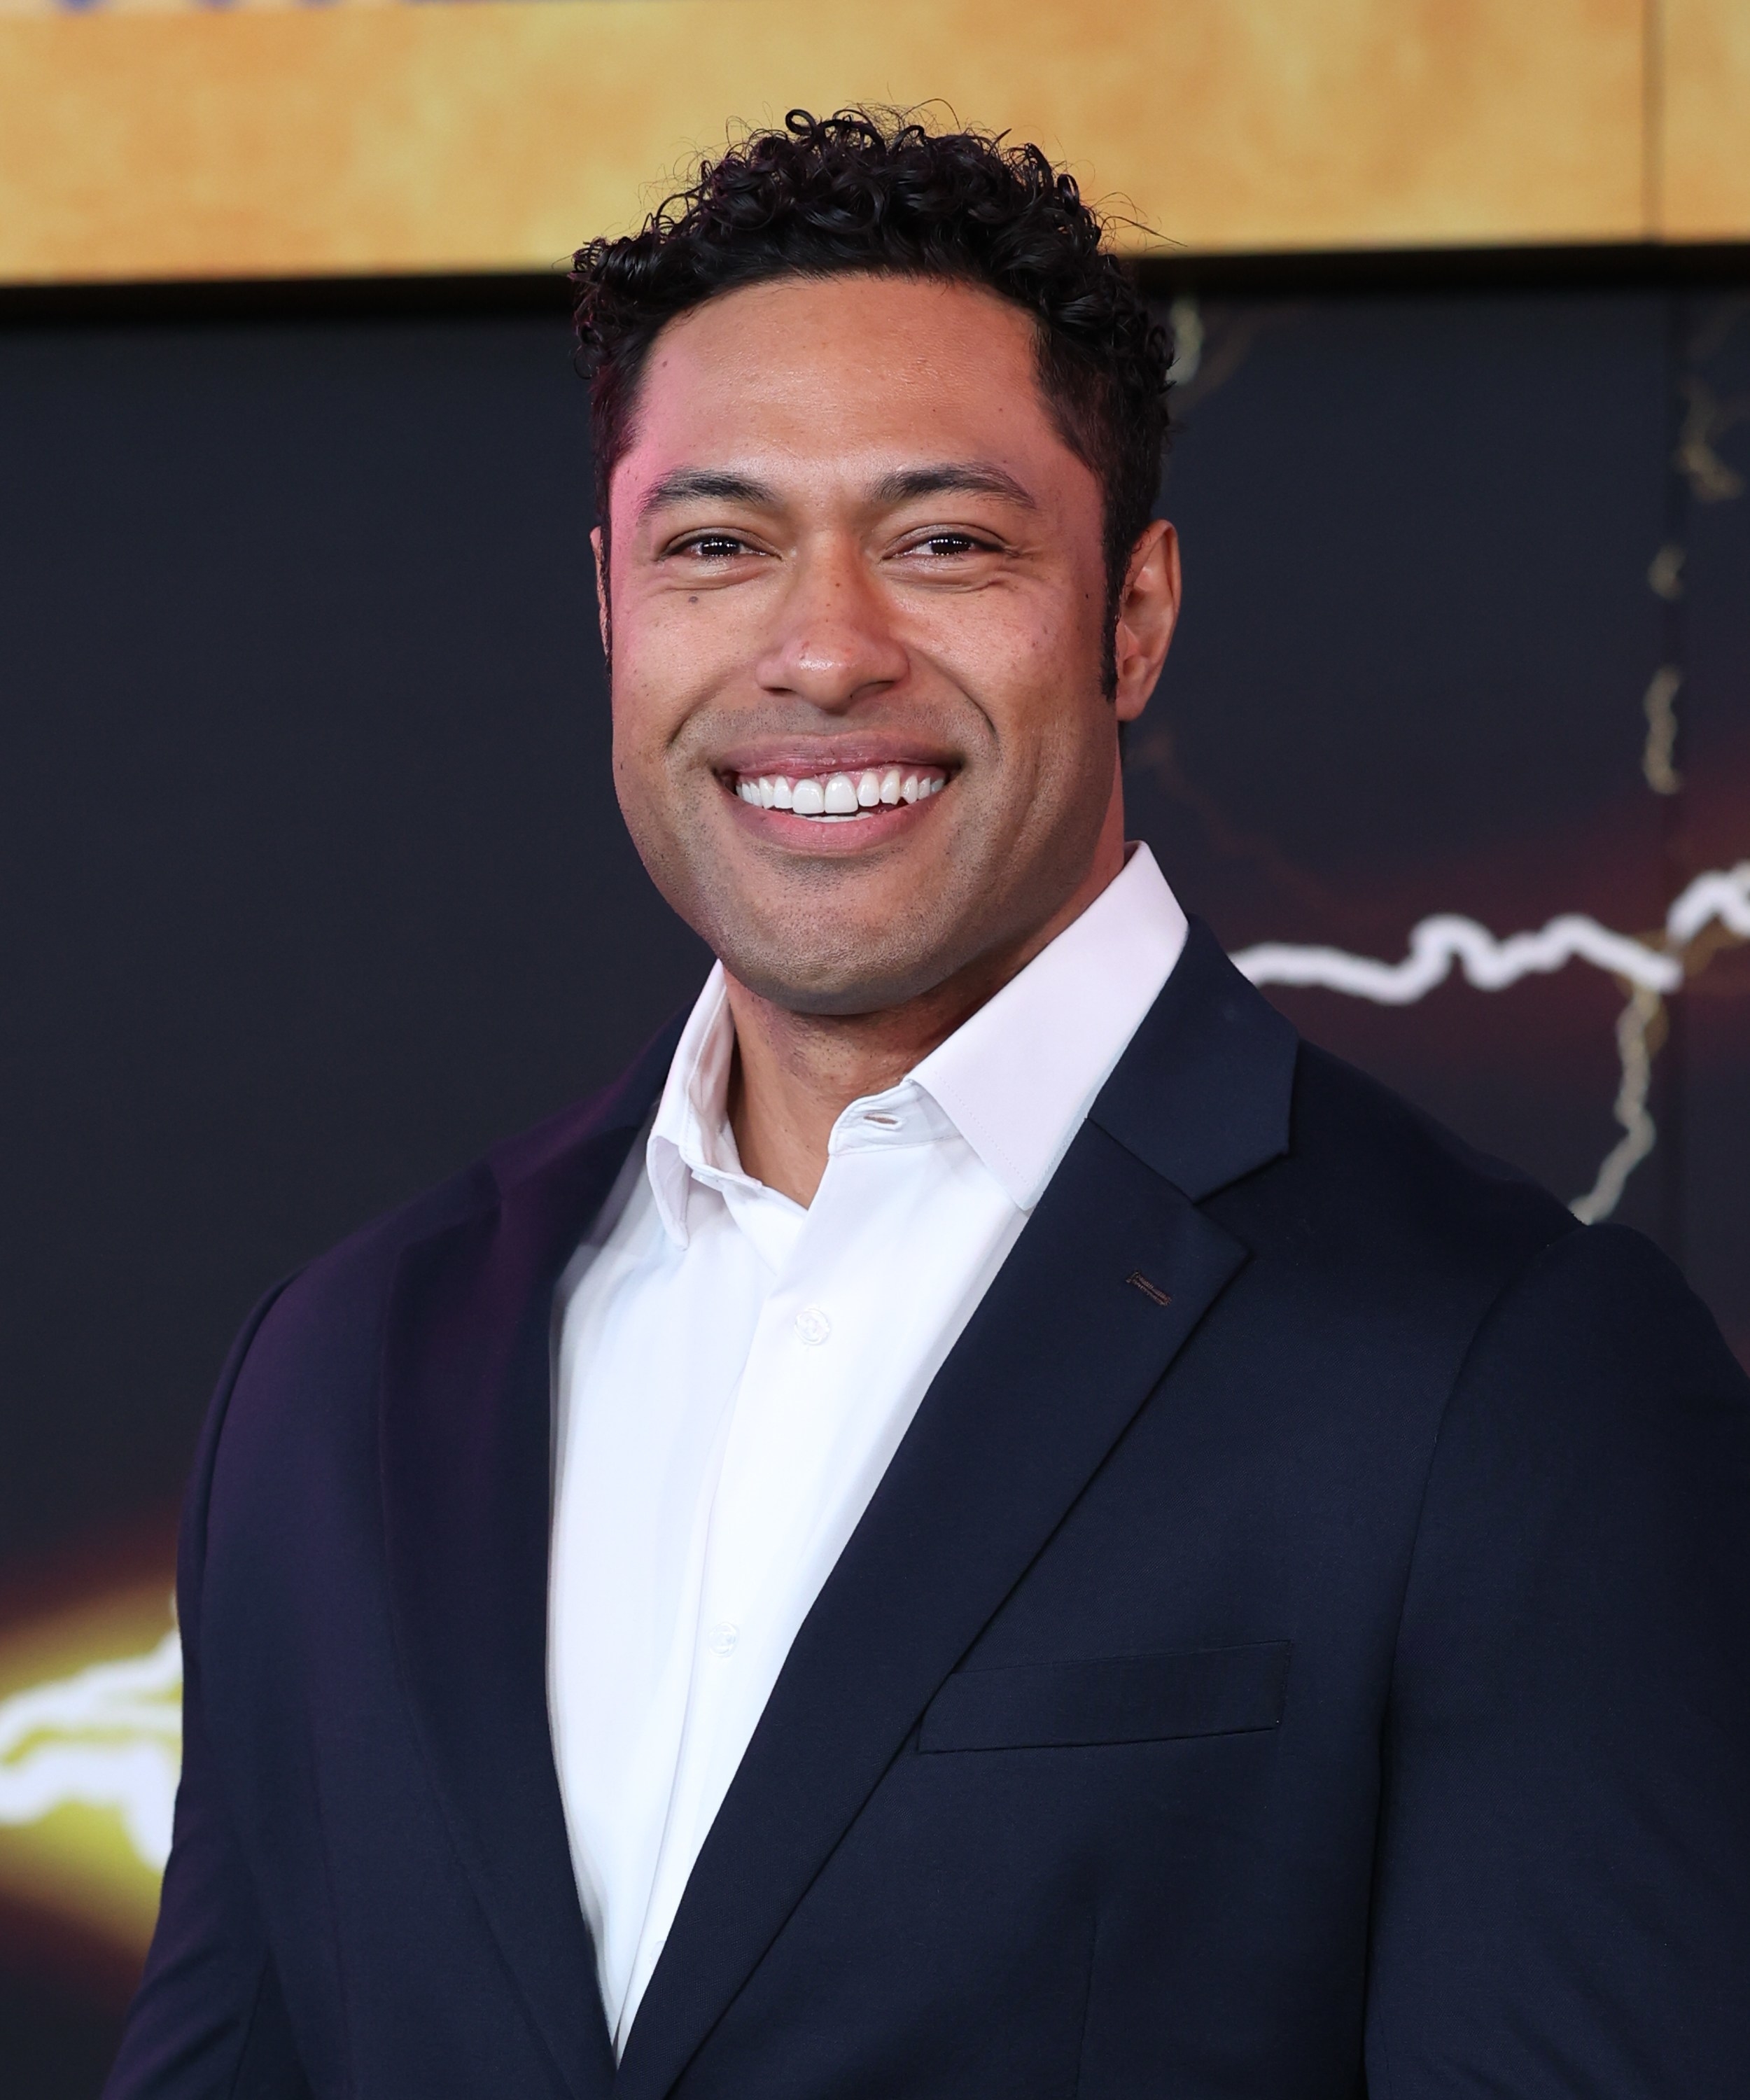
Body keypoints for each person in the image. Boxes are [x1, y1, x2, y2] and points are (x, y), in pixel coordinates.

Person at [107, 109, 1749, 2100]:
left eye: (943, 542)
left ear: (1129, 615)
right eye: (716, 546)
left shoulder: (1509, 1380)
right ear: (613, 607)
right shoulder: (339, 1372)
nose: (820, 650)